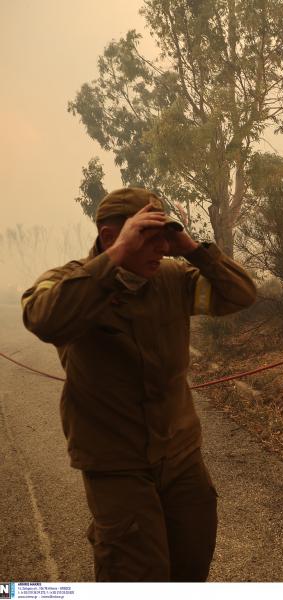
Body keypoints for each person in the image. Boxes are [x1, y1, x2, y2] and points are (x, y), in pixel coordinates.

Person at [21, 187, 257, 581]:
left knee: (191, 562)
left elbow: (241, 294)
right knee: (135, 572)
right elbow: (44, 319)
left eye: (166, 236)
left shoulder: (172, 278)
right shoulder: (70, 282)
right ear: (113, 237)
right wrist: (112, 261)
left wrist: (194, 249)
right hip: (116, 464)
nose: (162, 248)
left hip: (180, 456)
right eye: (149, 237)